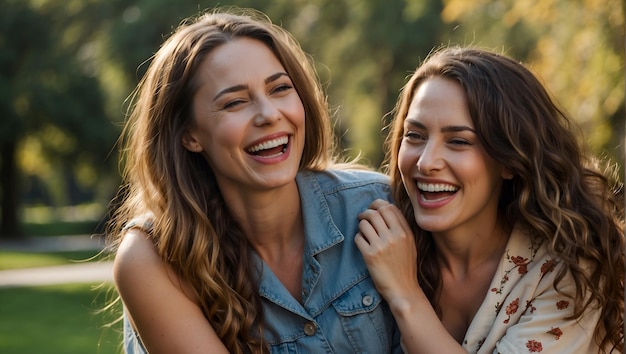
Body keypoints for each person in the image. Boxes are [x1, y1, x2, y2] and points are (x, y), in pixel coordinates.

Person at [106, 7, 402, 354]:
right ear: (189, 135)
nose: (269, 114)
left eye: (280, 89)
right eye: (235, 102)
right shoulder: (153, 258)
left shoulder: (378, 208)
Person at [355, 46, 624, 353]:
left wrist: (405, 295)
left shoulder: (570, 268)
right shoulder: (383, 242)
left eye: (458, 141)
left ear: (509, 160)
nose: (426, 162)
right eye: (415, 135)